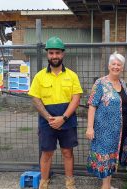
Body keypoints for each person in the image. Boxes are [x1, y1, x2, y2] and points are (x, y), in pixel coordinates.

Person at [28, 36, 83, 189]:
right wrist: (49, 118)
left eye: (57, 53)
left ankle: (70, 182)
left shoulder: (72, 76)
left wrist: (63, 118)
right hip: (47, 122)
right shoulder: (39, 76)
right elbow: (35, 98)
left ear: (63, 54)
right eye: (51, 53)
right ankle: (44, 182)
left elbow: (76, 99)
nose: (54, 56)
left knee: (67, 152)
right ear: (47, 55)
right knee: (46, 153)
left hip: (68, 120)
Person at [86, 52, 127, 189]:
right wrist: (90, 127)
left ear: (122, 68)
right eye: (113, 64)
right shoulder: (100, 83)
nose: (116, 67)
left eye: (119, 64)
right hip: (104, 130)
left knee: (113, 157)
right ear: (109, 66)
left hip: (120, 129)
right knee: (106, 157)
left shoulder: (122, 83)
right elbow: (92, 105)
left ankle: (108, 184)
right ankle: (105, 186)